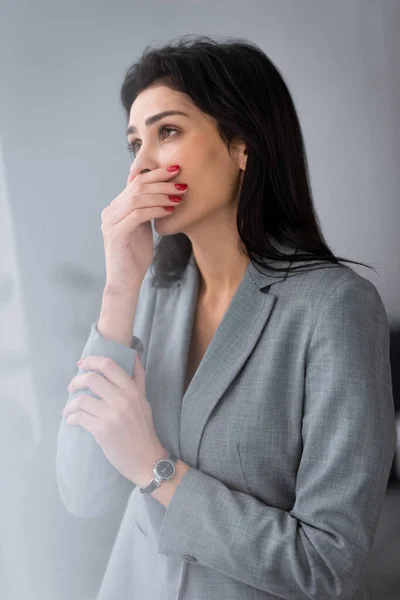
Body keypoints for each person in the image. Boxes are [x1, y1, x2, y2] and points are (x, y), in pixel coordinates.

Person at [56, 35, 397, 600]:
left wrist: (157, 469)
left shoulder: (335, 308)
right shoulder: (155, 297)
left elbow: (326, 566)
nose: (140, 166)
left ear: (242, 145)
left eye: (167, 132)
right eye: (134, 143)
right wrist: (120, 287)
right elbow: (81, 489)